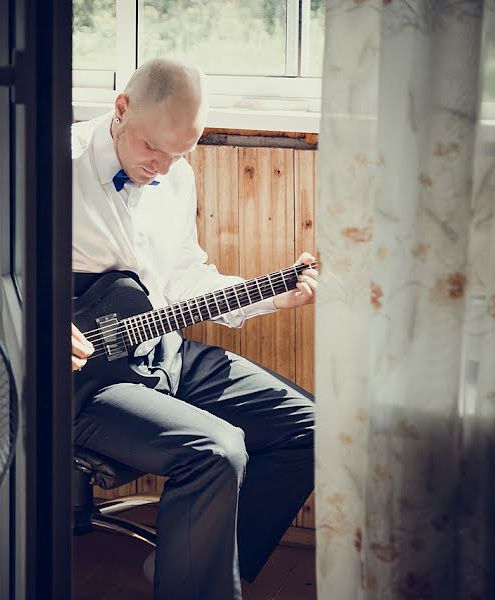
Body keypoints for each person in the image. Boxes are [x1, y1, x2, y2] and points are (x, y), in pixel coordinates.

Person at [71, 58, 318, 600]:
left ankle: (190, 572)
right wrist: (34, 323)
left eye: (179, 154)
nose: (161, 167)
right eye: (152, 149)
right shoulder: (52, 167)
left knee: (311, 429)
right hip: (84, 382)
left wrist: (269, 296)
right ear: (120, 109)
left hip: (164, 350)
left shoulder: (175, 174)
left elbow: (183, 279)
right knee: (217, 449)